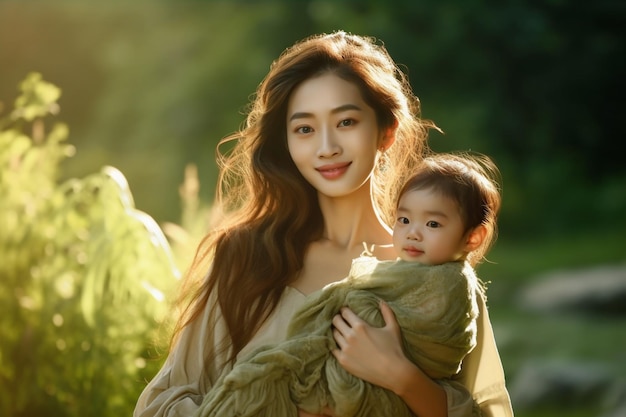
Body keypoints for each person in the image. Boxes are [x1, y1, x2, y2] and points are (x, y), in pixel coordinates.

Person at [134, 31, 513, 417]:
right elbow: (160, 405)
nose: (326, 146)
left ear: (386, 131)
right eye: (305, 129)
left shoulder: (437, 269)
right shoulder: (246, 259)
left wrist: (402, 378)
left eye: (346, 122)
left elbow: (488, 411)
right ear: (287, 143)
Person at [192, 152, 502, 417]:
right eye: (404, 220)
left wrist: (400, 373)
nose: (413, 234)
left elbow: (437, 349)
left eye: (432, 224)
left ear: (473, 237)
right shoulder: (245, 255)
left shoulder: (452, 288)